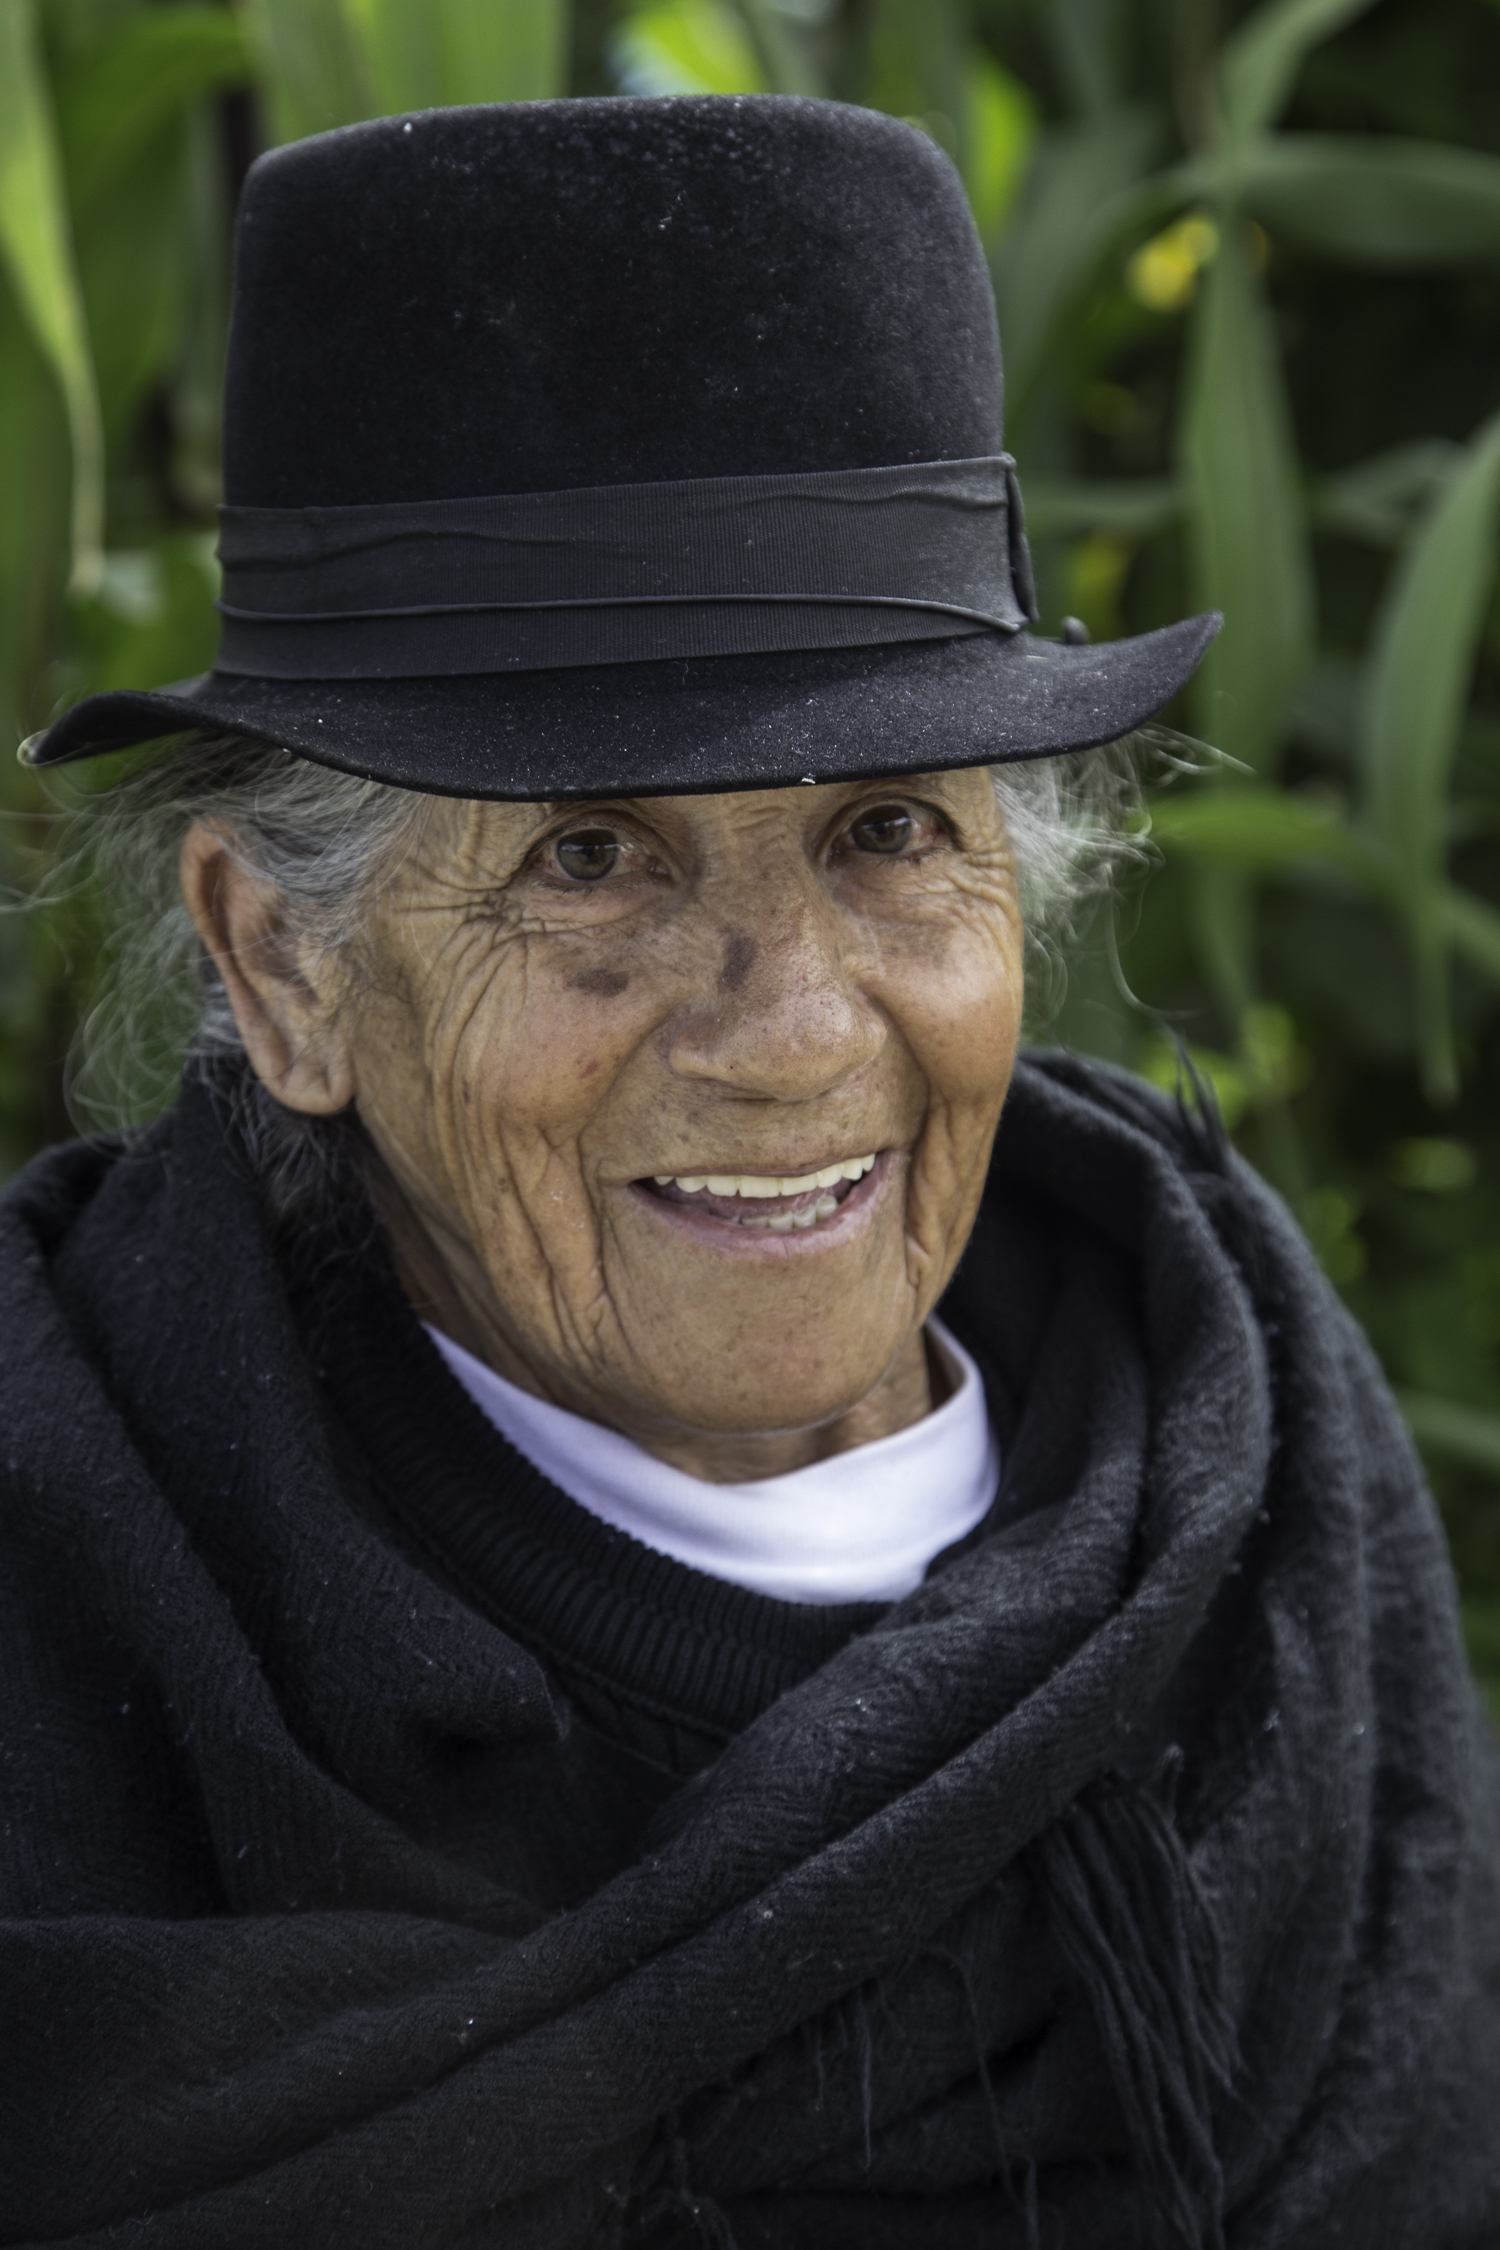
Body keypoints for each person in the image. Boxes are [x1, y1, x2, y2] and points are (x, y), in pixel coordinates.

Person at [3, 94, 1496, 2250]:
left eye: (891, 831)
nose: (792, 1032)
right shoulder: (69, 1573)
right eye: (590, 859)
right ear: (284, 966)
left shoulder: (1250, 1494)